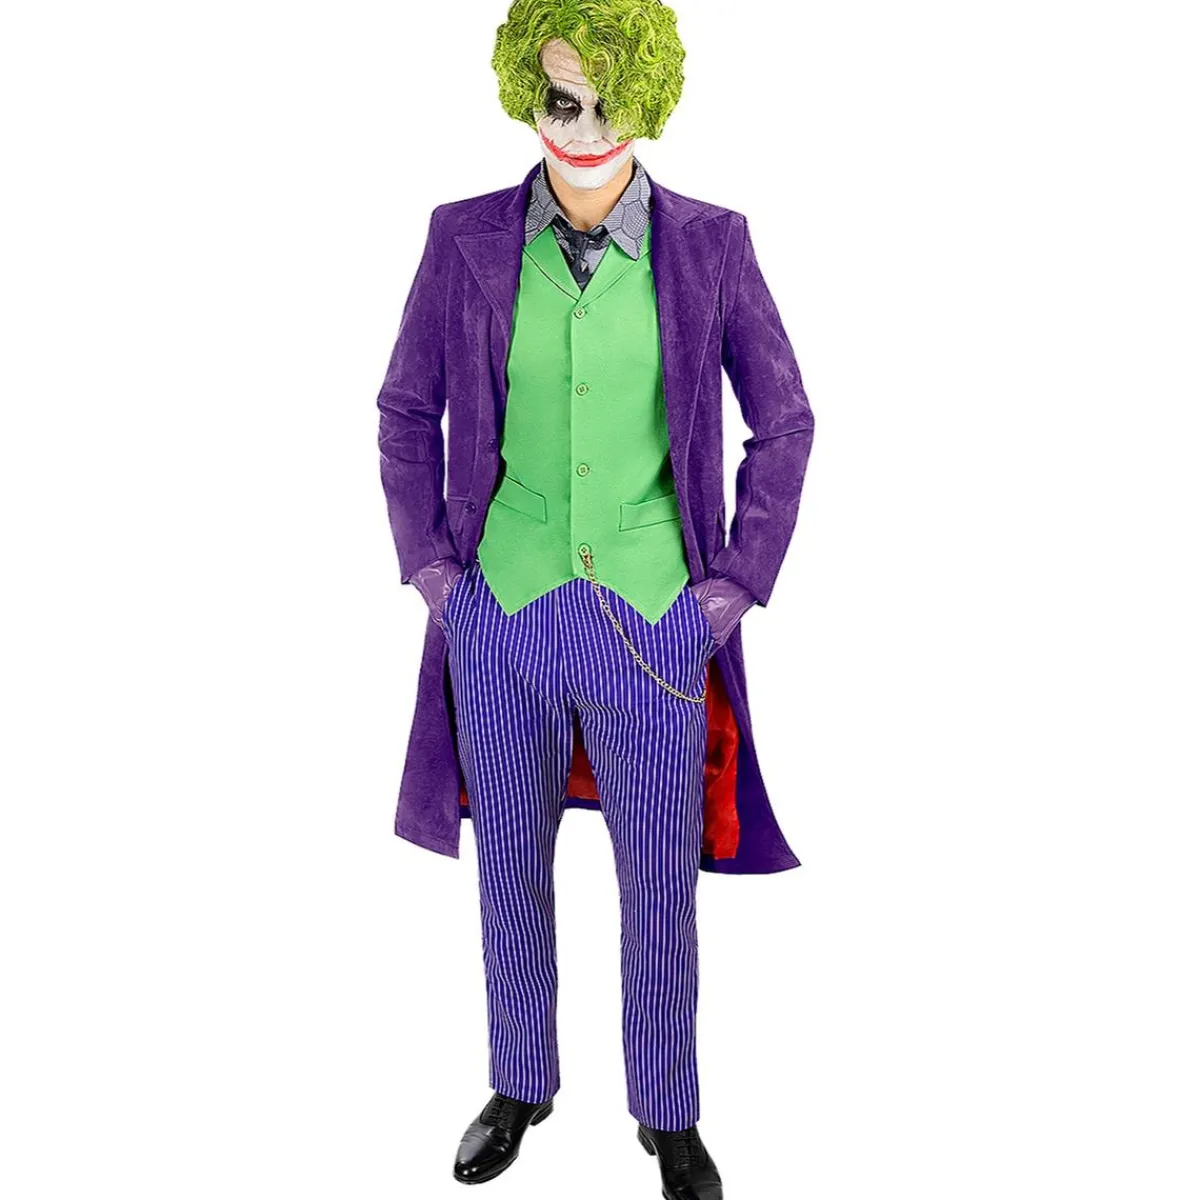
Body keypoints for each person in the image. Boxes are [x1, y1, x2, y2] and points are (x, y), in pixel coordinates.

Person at [376, 2, 815, 1195]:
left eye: (607, 102)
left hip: (654, 622)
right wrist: (436, 576)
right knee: (509, 866)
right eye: (558, 98)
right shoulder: (463, 238)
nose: (579, 127)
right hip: (500, 615)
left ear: (650, 103)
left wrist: (732, 586)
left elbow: (785, 422)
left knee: (657, 880)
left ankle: (667, 1113)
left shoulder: (712, 246)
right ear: (525, 89)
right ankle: (520, 1081)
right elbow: (407, 410)